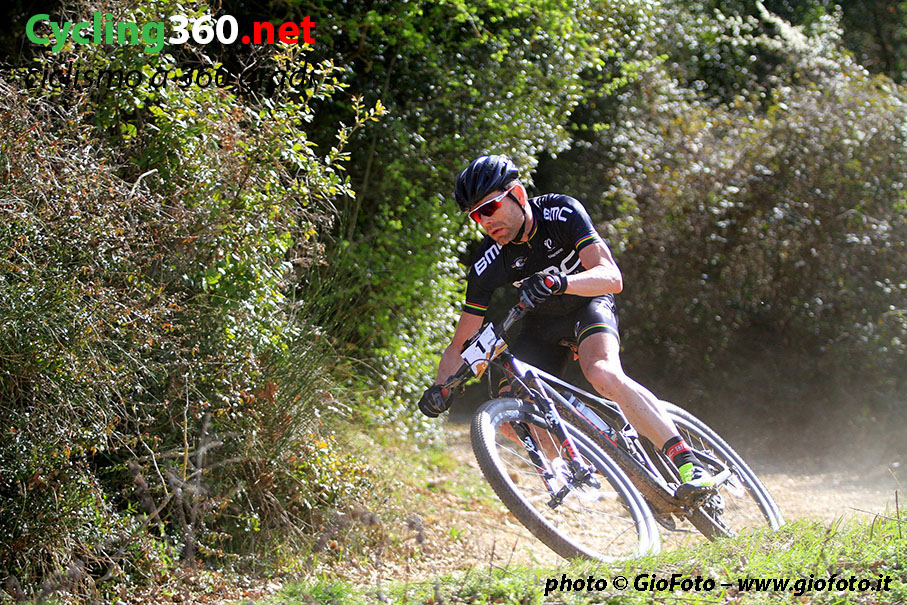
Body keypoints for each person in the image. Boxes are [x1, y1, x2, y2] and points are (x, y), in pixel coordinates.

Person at [417, 154, 715, 502]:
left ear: (518, 194)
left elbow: (611, 277)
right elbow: (461, 343)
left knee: (602, 373)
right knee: (510, 412)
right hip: (541, 324)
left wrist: (561, 282)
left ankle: (689, 463)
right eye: (476, 215)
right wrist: (441, 387)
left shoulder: (560, 212)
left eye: (491, 207)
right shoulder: (489, 262)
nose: (485, 221)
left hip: (587, 304)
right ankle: (595, 464)